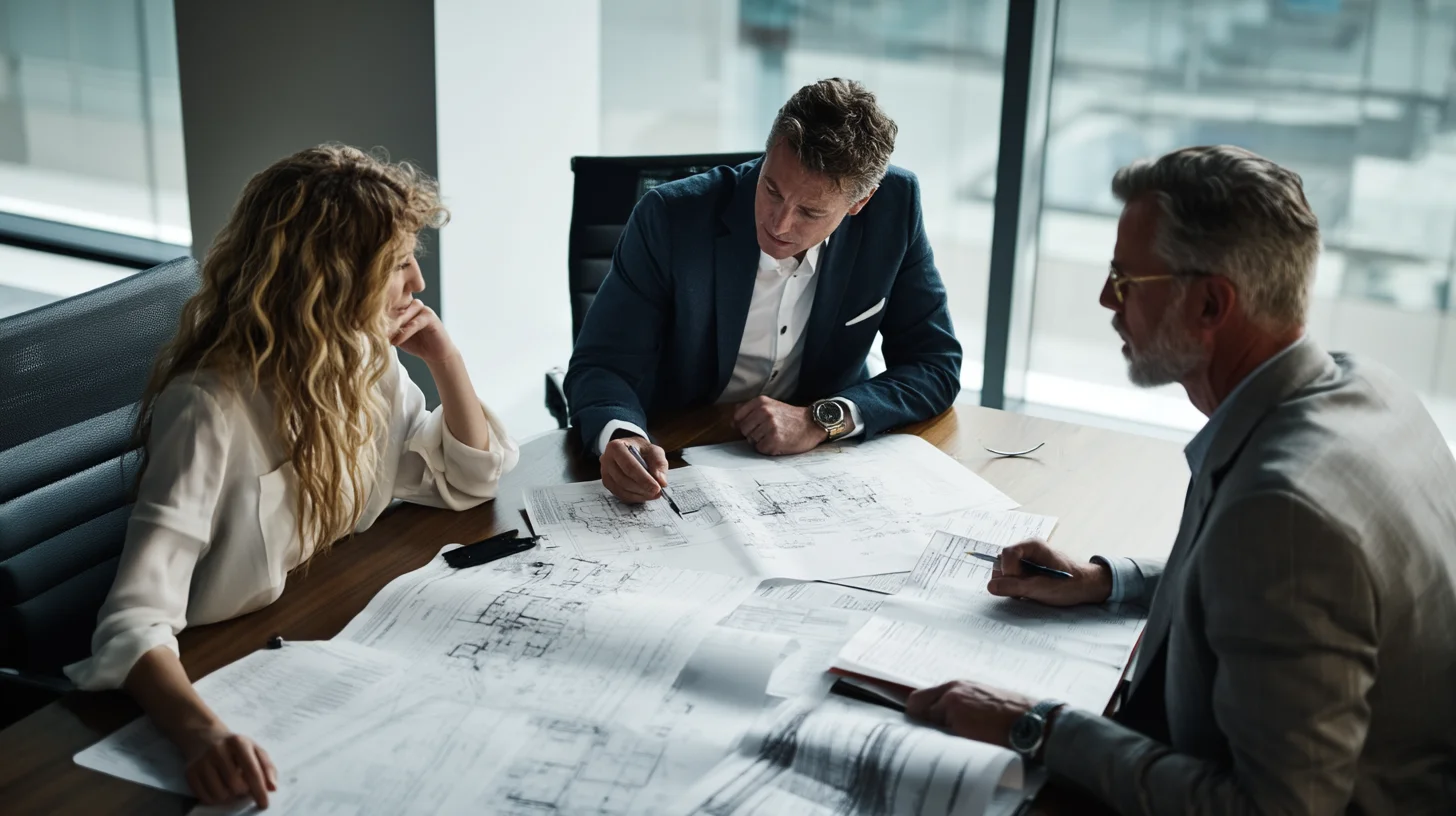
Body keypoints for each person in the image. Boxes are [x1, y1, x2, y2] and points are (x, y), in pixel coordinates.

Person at [906, 145, 1456, 813]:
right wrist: (1108, 582)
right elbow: (1276, 582)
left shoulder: (1283, 513)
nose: (1106, 299)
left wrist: (1036, 725)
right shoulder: (1368, 387)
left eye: (1125, 279)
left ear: (1209, 305)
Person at [64, 145, 518, 808]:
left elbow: (465, 479)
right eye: (396, 266)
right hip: (220, 670)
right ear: (332, 280)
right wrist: (202, 737)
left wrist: (445, 357)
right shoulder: (208, 409)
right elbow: (133, 620)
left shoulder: (365, 364)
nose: (417, 283)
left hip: (317, 633)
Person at [565, 78, 961, 504]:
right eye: (771, 189)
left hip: (819, 465)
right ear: (767, 154)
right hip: (676, 455)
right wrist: (622, 434)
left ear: (858, 203)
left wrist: (823, 419)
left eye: (809, 211)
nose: (779, 223)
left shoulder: (894, 209)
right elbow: (601, 364)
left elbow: (935, 363)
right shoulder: (670, 218)